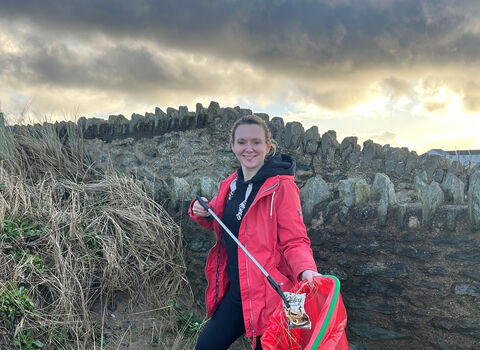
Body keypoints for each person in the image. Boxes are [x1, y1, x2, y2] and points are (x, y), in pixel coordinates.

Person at [189, 115, 317, 350]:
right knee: (206, 346)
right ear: (233, 146)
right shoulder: (231, 184)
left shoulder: (282, 186)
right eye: (242, 142)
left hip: (278, 297)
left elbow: (295, 240)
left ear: (268, 146)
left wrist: (307, 270)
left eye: (256, 142)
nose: (249, 149)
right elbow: (221, 221)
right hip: (239, 293)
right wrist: (200, 211)